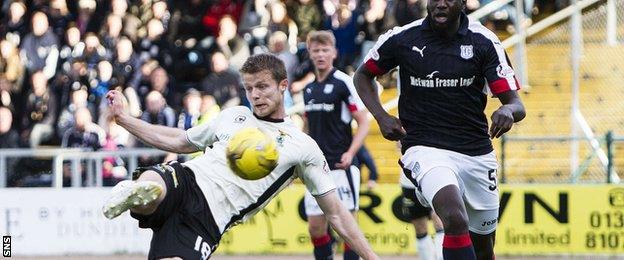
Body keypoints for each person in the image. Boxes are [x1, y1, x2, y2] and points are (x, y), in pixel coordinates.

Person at [102, 53, 379, 260]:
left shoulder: (302, 146)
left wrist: (372, 257)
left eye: (262, 87)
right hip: (188, 179)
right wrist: (125, 120)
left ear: (283, 85)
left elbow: (337, 214)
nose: (254, 95)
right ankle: (139, 193)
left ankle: (142, 197)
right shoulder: (233, 116)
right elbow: (179, 140)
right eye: (249, 88)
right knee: (159, 180)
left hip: (208, 217)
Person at [353, 0, 526, 259]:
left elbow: (516, 105)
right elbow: (362, 75)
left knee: (483, 247)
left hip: (476, 153)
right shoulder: (403, 38)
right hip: (424, 147)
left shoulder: (483, 41)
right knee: (454, 218)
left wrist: (506, 111)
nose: (441, 4)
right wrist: (381, 116)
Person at [302, 30, 370, 260]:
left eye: (325, 50)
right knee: (315, 228)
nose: (320, 55)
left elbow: (363, 121)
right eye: (316, 50)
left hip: (341, 167)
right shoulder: (308, 89)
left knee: (347, 229)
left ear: (334, 53)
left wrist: (351, 153)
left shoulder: (343, 82)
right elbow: (307, 128)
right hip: (316, 170)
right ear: (310, 54)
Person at [399, 169, 444, 260]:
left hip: (434, 179)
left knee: (439, 221)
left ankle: (442, 257)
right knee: (420, 228)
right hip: (409, 184)